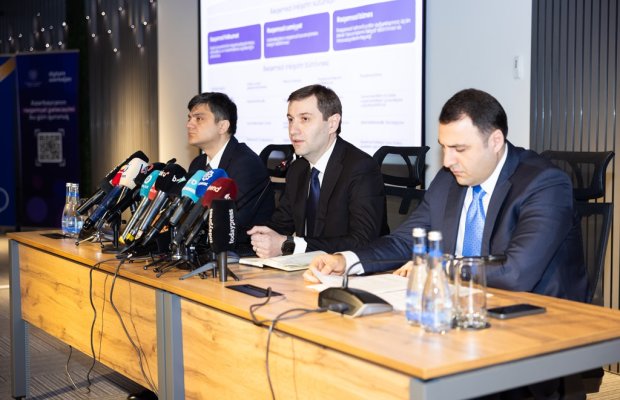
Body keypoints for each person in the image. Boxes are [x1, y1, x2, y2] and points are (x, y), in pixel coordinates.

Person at [305, 88, 587, 303]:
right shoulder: (448, 180)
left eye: (459, 149)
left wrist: (441, 268)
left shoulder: (545, 184)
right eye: (444, 147)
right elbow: (405, 241)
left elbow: (516, 273)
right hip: (460, 309)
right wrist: (346, 261)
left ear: (495, 141)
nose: (448, 161)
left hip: (538, 323)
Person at [247, 84, 388, 258]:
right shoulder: (297, 169)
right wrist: (260, 236)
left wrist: (289, 245)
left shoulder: (361, 168)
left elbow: (363, 241)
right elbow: (281, 225)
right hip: (305, 267)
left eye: (305, 119)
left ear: (332, 124)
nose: (293, 130)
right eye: (291, 120)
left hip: (354, 270)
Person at [186, 92, 275, 244]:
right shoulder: (198, 164)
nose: (189, 125)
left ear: (222, 126)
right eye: (189, 118)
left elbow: (232, 223)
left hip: (243, 251)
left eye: (199, 119)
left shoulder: (246, 164)